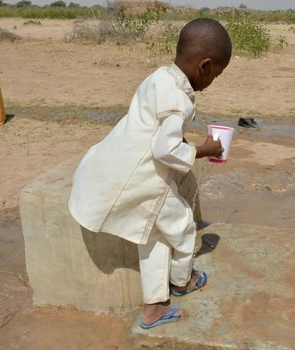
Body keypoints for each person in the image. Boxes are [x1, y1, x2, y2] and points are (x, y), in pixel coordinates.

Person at [68, 18, 232, 329]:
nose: (212, 82)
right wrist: (205, 150)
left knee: (153, 234)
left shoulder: (160, 77)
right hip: (139, 178)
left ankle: (154, 307)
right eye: (215, 75)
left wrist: (181, 142)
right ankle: (182, 281)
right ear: (204, 65)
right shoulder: (178, 101)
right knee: (182, 226)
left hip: (119, 168)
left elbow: (153, 126)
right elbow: (163, 150)